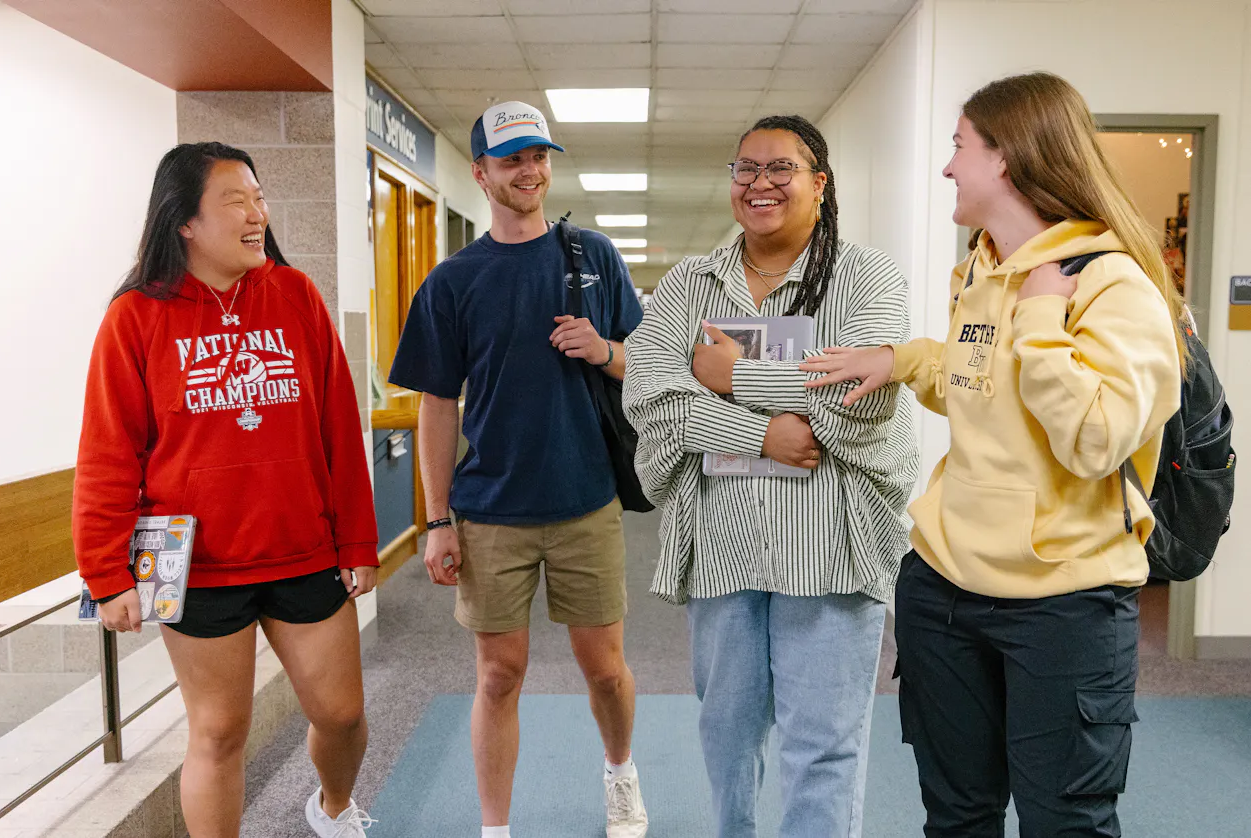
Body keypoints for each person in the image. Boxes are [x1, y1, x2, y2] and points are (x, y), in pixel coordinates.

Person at [801, 72, 1187, 837]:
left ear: (1005, 157)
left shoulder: (1112, 284)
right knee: (956, 816)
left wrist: (1042, 316)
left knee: (1064, 822)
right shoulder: (981, 266)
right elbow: (976, 380)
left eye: (959, 147)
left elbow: (1095, 439)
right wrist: (903, 359)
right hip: (944, 589)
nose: (947, 166)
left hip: (1064, 603)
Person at [622, 114, 920, 838]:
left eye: (781, 169)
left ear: (820, 183)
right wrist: (763, 431)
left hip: (831, 550)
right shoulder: (691, 285)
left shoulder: (865, 276)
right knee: (727, 735)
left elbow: (861, 401)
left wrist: (734, 375)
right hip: (722, 547)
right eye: (745, 169)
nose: (761, 184)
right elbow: (652, 400)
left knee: (823, 746)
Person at [73, 142, 378, 838]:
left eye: (259, 198)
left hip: (302, 548)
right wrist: (106, 570)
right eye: (236, 200)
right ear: (185, 221)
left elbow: (337, 425)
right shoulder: (136, 317)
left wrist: (358, 539)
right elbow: (107, 452)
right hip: (199, 564)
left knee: (343, 714)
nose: (257, 214)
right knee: (217, 733)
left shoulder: (294, 294)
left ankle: (333, 808)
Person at [387, 101, 649, 838]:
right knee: (499, 676)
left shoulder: (591, 257)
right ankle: (494, 828)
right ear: (481, 174)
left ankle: (620, 771)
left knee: (605, 668)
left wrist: (602, 349)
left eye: (539, 157)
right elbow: (436, 408)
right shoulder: (451, 283)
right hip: (492, 510)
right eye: (512, 161)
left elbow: (648, 365)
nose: (530, 171)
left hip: (584, 500)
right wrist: (437, 520)